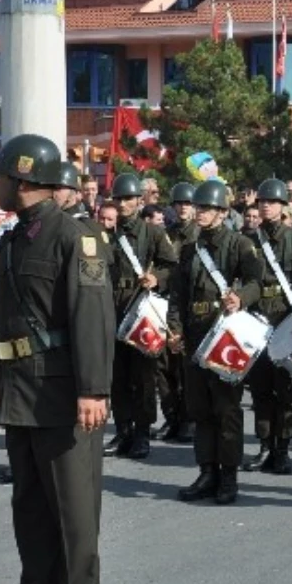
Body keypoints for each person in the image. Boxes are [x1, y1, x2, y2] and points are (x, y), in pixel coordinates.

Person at [0, 134, 114, 584]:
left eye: (0, 177)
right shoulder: (11, 242)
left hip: (65, 393)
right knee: (29, 505)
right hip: (19, 391)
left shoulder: (76, 238)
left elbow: (92, 318)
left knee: (73, 507)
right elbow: (1, 315)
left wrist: (92, 389)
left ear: (25, 179)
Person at [169, 180, 263, 505]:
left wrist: (241, 298)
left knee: (227, 409)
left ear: (222, 212)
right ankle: (206, 471)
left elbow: (256, 282)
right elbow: (177, 294)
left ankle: (228, 477)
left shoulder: (238, 244)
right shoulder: (189, 249)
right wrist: (175, 329)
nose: (200, 213)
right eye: (199, 207)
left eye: (207, 208)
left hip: (224, 333)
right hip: (195, 334)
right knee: (199, 408)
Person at [240, 178, 292, 473]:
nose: (266, 206)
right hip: (257, 320)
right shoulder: (247, 240)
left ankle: (283, 448)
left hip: (287, 320)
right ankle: (265, 445)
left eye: (272, 202)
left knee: (286, 389)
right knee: (261, 388)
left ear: (283, 206)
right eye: (262, 201)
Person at [103, 174, 178, 460]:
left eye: (128, 199)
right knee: (117, 377)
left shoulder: (154, 234)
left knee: (144, 377)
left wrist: (155, 277)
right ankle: (123, 432)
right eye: (118, 199)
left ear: (139, 201)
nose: (123, 204)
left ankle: (142, 434)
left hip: (142, 310)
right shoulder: (105, 232)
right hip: (113, 308)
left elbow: (172, 266)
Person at [154, 182, 198, 443]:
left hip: (188, 304)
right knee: (163, 367)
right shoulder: (165, 235)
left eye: (188, 203)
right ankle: (171, 418)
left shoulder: (199, 234)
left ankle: (189, 419)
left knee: (185, 368)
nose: (183, 208)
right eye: (179, 203)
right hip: (165, 302)